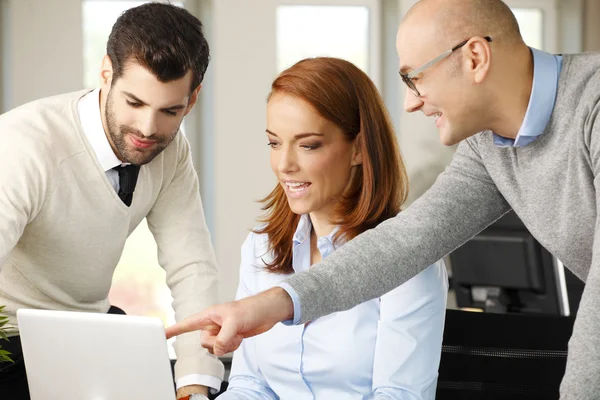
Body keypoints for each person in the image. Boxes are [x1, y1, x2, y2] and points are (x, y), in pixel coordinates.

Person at [166, 0, 600, 398]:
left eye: (415, 78)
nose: (410, 103)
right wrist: (273, 304)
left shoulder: (592, 105)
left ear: (474, 58)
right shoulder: (489, 148)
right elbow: (407, 242)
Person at [0, 3, 221, 399]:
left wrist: (195, 384)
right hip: (9, 339)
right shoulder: (23, 143)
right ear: (106, 73)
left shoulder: (171, 152)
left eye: (170, 110)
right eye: (134, 103)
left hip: (91, 330)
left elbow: (192, 268)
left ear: (192, 99)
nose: (148, 129)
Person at [217, 57, 448, 399]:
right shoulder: (261, 247)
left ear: (357, 148)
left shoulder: (408, 258)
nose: (284, 165)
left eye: (308, 145)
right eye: (274, 143)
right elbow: (251, 385)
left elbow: (398, 395)